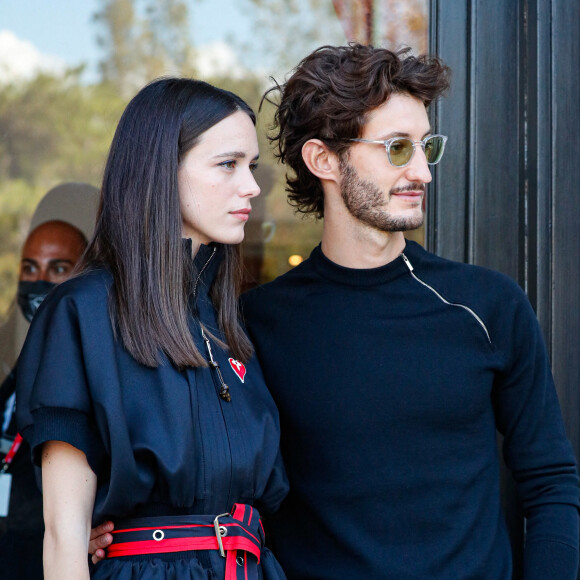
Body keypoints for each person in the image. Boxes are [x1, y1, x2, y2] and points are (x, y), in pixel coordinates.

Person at [89, 45, 580, 579]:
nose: (422, 172)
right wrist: (108, 527)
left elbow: (551, 480)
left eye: (425, 147)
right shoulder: (252, 323)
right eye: (397, 148)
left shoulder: (487, 305)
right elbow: (205, 469)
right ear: (324, 160)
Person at [16, 78, 288, 580]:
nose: (250, 186)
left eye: (252, 167)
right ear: (162, 171)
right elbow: (63, 537)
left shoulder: (225, 323)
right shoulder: (84, 312)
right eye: (228, 164)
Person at [0, 182, 97, 580]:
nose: (39, 282)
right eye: (30, 268)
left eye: (58, 269)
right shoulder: (9, 360)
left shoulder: (98, 366)